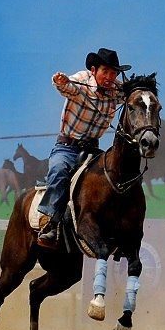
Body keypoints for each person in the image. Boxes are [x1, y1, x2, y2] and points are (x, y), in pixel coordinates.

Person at [36, 47, 131, 248]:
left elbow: (132, 95)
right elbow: (67, 87)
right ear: (94, 70)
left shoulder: (116, 90)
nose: (109, 77)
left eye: (114, 73)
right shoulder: (81, 79)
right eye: (105, 71)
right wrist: (60, 81)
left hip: (94, 151)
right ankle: (50, 222)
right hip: (67, 147)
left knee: (112, 177)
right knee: (59, 170)